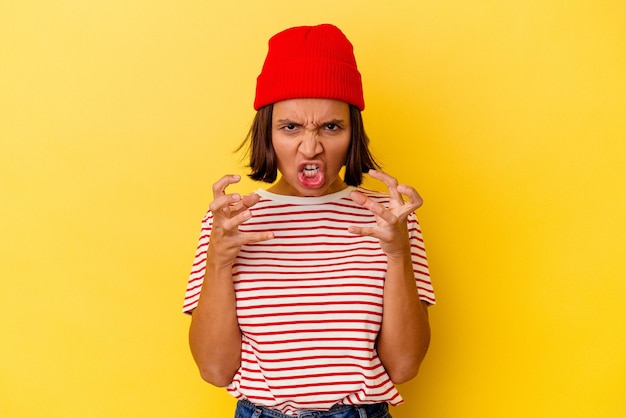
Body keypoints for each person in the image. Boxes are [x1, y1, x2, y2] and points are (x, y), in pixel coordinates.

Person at [182, 23, 435, 418]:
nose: (311, 147)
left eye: (331, 127)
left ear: (353, 134)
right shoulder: (231, 222)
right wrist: (218, 260)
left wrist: (398, 252)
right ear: (267, 133)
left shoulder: (390, 221)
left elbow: (404, 367)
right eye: (291, 127)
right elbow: (215, 370)